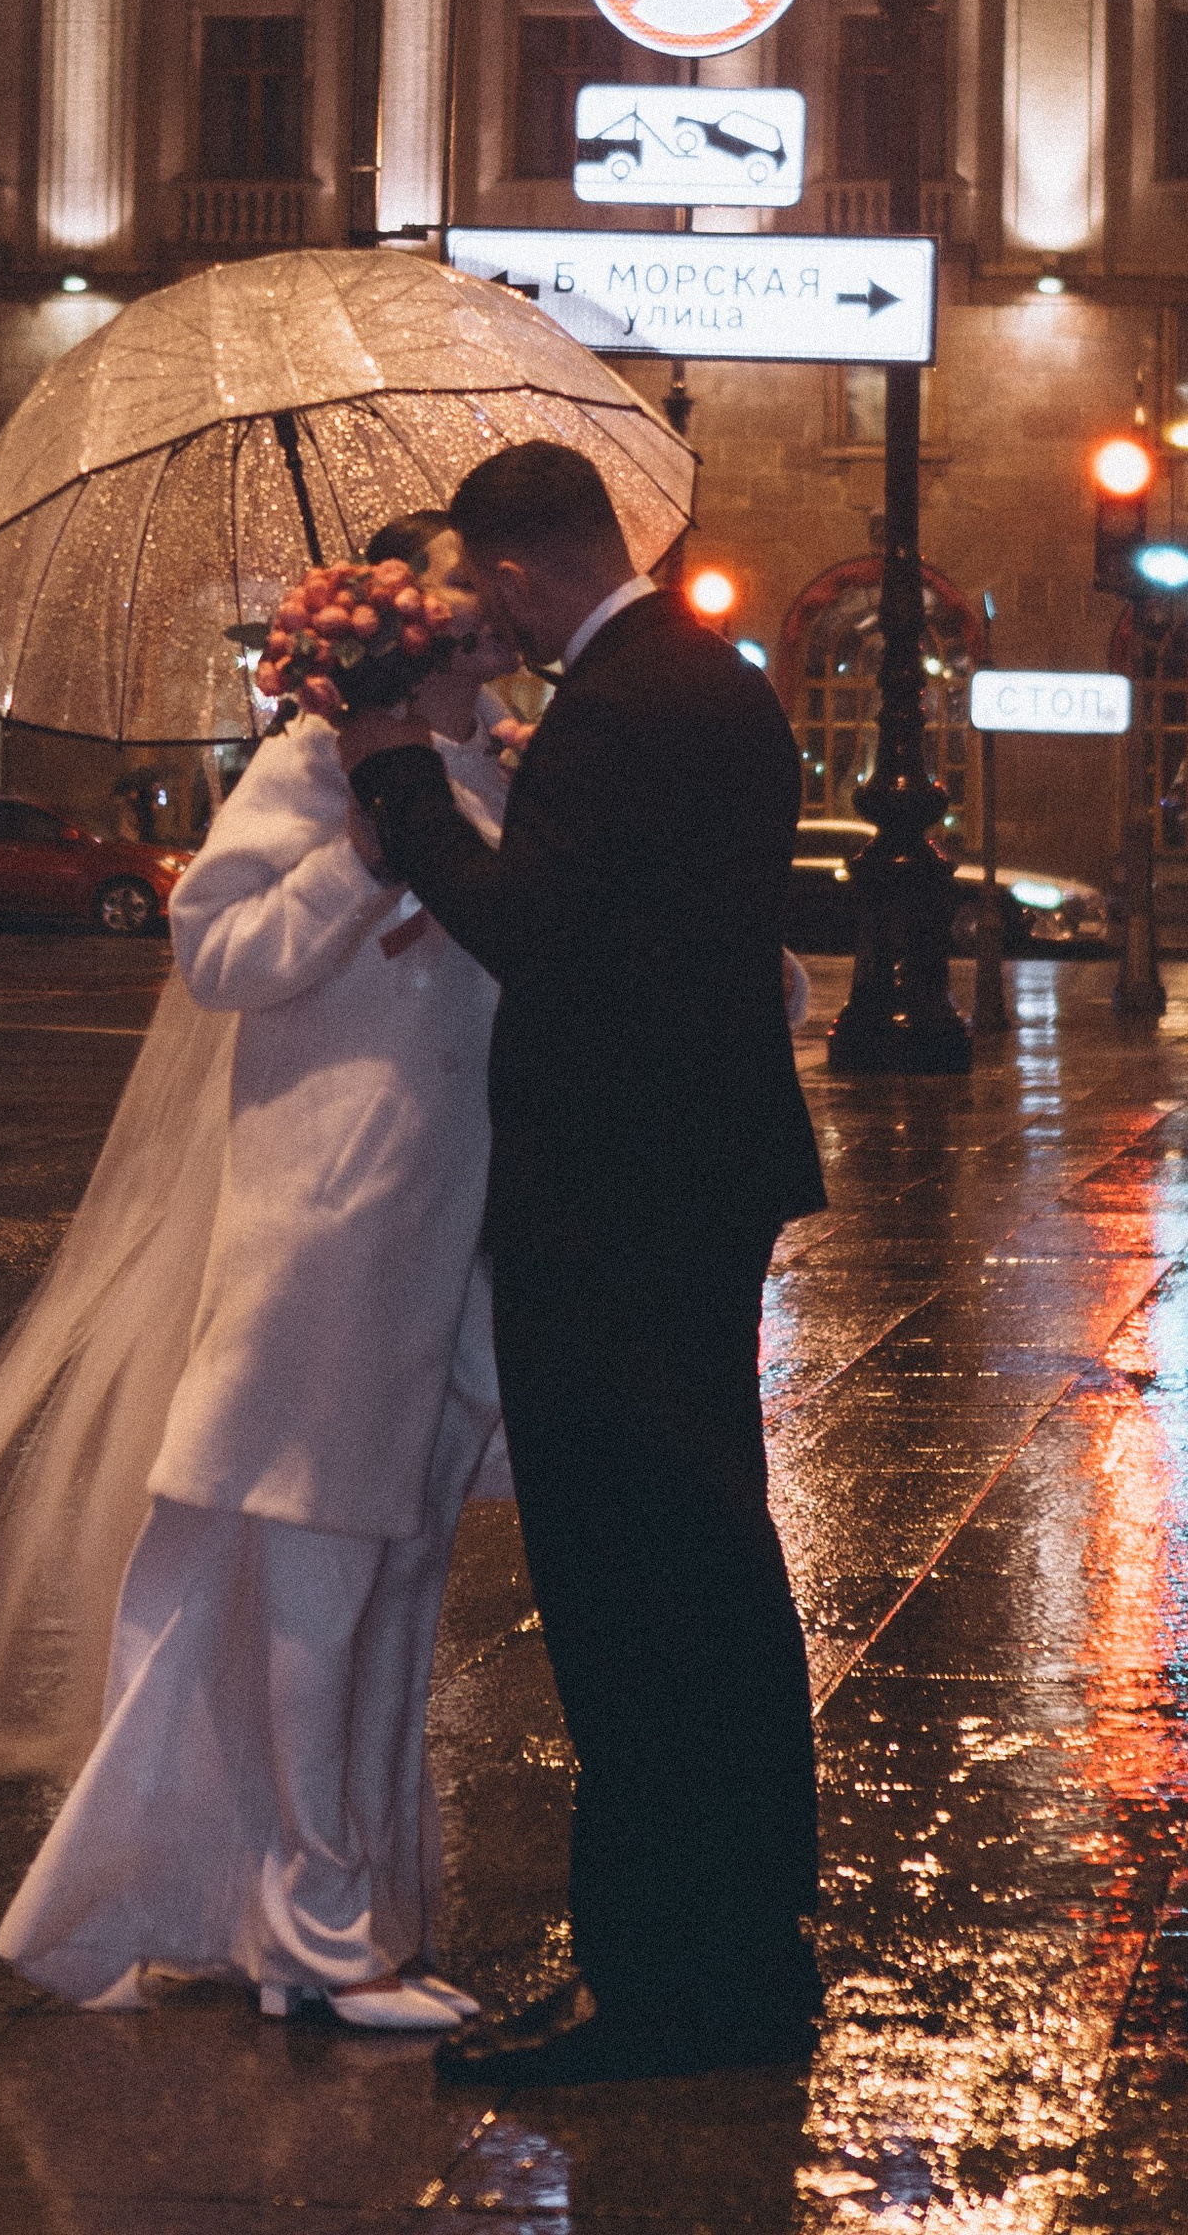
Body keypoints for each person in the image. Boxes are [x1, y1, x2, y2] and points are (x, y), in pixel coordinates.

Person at [0, 513, 516, 2033]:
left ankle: (287, 1907)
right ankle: (322, 1941)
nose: (496, 615)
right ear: (410, 632)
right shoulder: (315, 773)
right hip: (323, 1234)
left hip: (435, 1236)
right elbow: (217, 956)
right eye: (464, 591)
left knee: (369, 1584)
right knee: (315, 1583)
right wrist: (357, 866)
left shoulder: (498, 774)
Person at [340, 439, 827, 2087]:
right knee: (715, 1574)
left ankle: (654, 1987)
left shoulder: (619, 706)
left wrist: (399, 770)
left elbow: (532, 928)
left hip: (615, 1203)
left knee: (628, 1601)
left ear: (529, 573)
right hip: (696, 1184)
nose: (494, 623)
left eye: (492, 592)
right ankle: (749, 1951)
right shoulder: (712, 680)